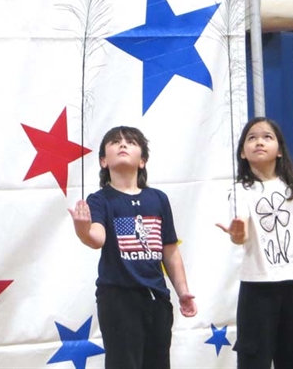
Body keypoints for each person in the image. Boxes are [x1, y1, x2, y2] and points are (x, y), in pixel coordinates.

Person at [68, 126, 197, 369]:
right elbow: (97, 238)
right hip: (118, 299)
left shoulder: (158, 199)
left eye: (131, 142)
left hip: (157, 299)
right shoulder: (100, 199)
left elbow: (169, 250)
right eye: (115, 142)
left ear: (143, 161)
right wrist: (82, 229)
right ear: (103, 161)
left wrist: (182, 292)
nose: (123, 145)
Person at [216, 117, 293, 369]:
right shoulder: (241, 190)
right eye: (251, 138)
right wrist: (237, 233)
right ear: (242, 152)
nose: (259, 142)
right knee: (254, 359)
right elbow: (240, 234)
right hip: (257, 290)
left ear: (279, 149)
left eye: (267, 137)